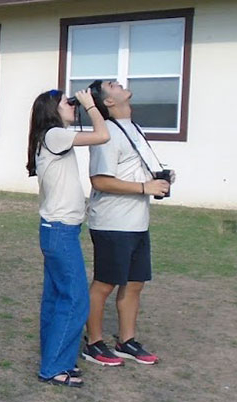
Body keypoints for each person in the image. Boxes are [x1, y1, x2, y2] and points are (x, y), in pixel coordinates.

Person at [82, 79, 172, 367]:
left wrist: (157, 180)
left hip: (137, 221)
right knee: (104, 285)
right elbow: (100, 180)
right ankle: (93, 343)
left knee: (135, 284)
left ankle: (126, 341)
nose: (120, 83)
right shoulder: (106, 134)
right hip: (112, 223)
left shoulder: (132, 127)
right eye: (112, 84)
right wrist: (146, 188)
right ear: (107, 101)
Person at [27, 89, 109, 388]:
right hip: (60, 230)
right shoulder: (54, 135)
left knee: (56, 299)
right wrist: (90, 105)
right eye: (67, 102)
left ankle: (57, 359)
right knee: (75, 300)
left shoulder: (50, 136)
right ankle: (53, 367)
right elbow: (102, 135)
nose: (72, 106)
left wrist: (86, 105)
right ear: (52, 109)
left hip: (57, 229)